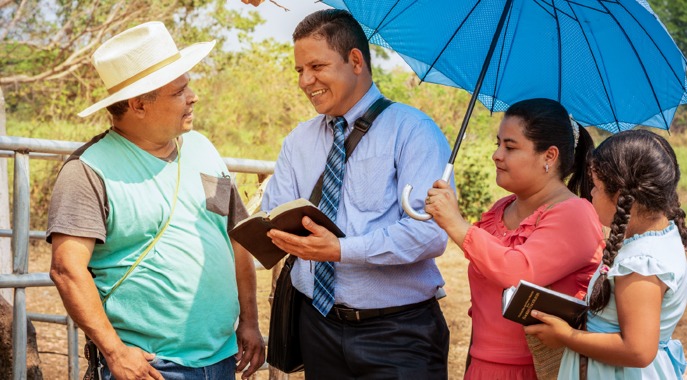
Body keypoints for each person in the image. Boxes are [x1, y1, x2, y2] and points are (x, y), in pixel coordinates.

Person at [47, 21, 265, 380]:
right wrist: (115, 353)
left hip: (222, 357)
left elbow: (235, 235)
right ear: (138, 105)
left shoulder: (203, 149)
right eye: (179, 91)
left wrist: (251, 321)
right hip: (149, 367)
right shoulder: (89, 170)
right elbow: (66, 270)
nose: (193, 96)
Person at [261, 9, 452, 379]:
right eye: (299, 70)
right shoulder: (298, 140)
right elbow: (276, 213)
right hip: (316, 326)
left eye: (316, 66)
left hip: (399, 334)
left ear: (355, 60)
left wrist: (340, 250)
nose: (305, 80)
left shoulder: (414, 132)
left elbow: (430, 234)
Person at [424, 98, 604, 379]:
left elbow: (518, 272)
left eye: (509, 146)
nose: (497, 155)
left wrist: (456, 224)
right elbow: (483, 309)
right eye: (498, 144)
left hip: (536, 370)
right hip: (482, 367)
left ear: (549, 156)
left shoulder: (574, 213)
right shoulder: (499, 210)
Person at [525, 129, 687, 379]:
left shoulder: (641, 263)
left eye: (596, 187)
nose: (591, 194)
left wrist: (565, 336)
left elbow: (638, 350)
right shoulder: (661, 236)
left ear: (620, 197)